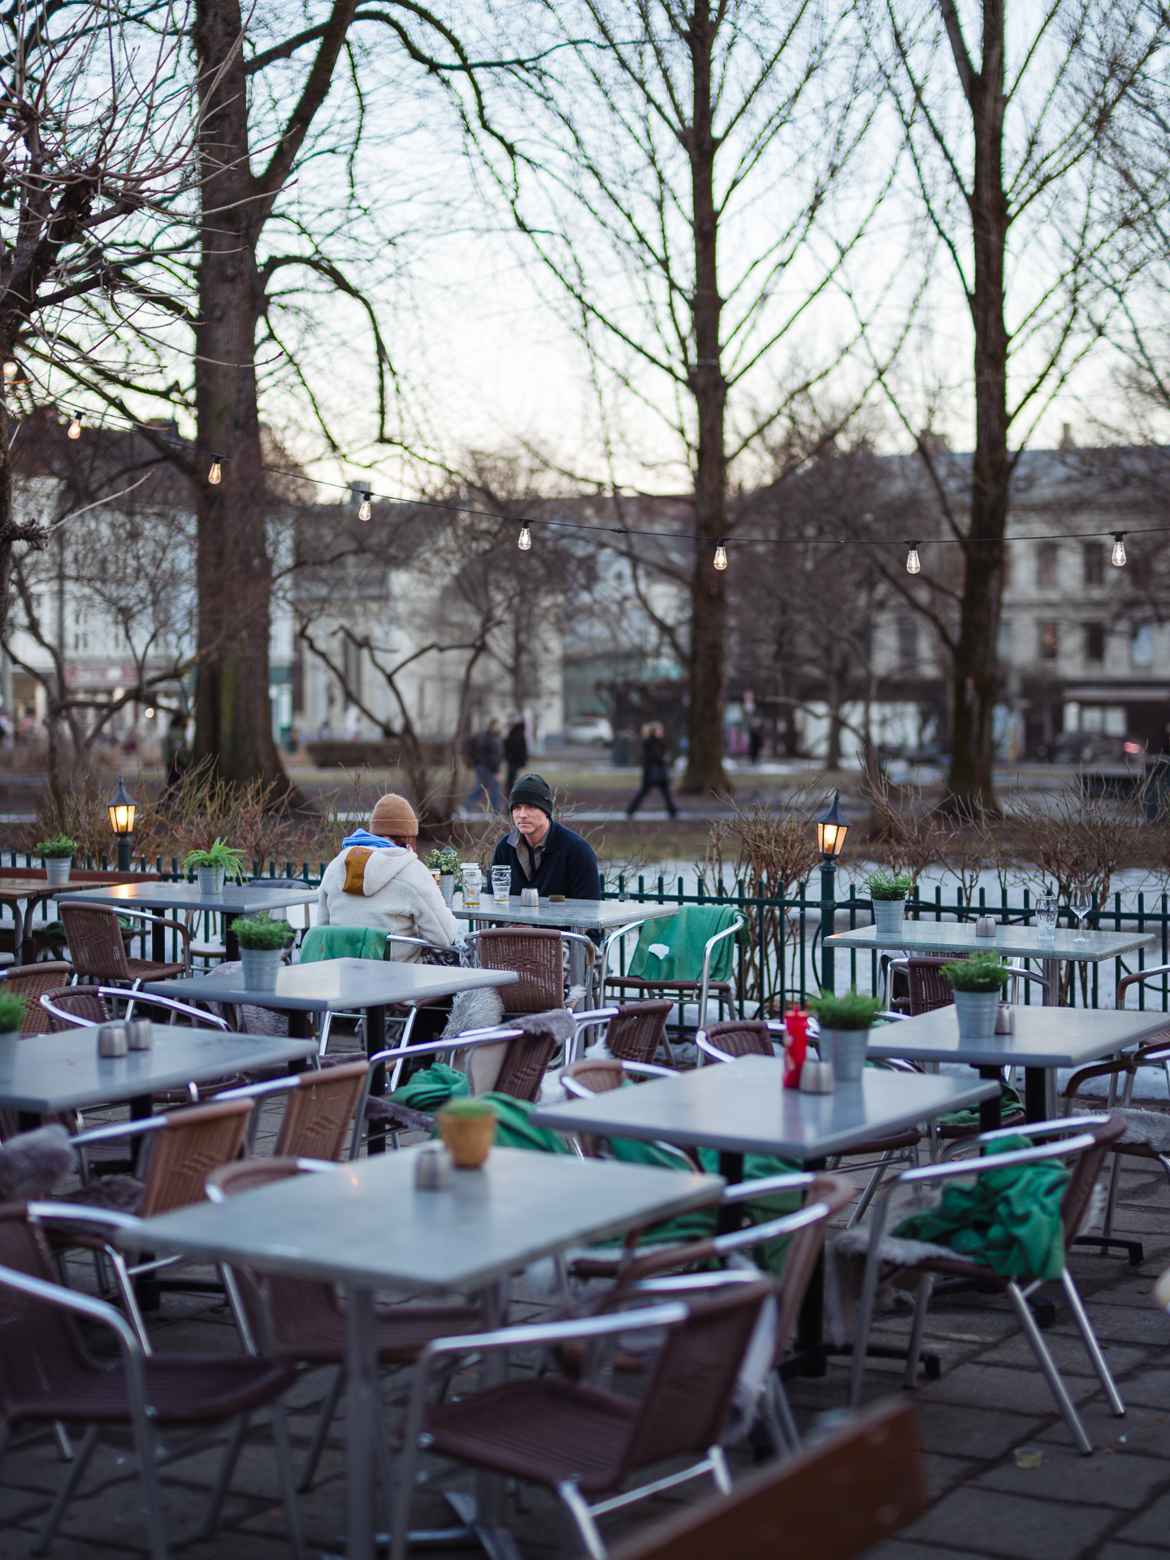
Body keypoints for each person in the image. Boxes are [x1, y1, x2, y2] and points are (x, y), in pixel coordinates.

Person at [317, 792, 458, 959]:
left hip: (343, 975)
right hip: (398, 978)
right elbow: (445, 937)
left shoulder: (336, 866)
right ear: (408, 838)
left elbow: (322, 929)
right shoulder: (412, 870)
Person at [493, 773, 602, 898]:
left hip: (565, 917)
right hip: (512, 918)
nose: (522, 814)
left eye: (531, 807)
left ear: (546, 811)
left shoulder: (577, 851)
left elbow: (589, 908)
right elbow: (494, 902)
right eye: (517, 808)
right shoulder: (505, 848)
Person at [626, 723, 677, 819]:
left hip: (657, 773)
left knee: (665, 793)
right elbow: (654, 757)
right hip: (652, 773)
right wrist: (663, 759)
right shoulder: (650, 742)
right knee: (645, 792)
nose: (661, 732)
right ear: (654, 731)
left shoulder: (659, 742)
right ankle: (630, 810)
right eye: (659, 730)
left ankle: (672, 810)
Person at [464, 717, 505, 812]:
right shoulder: (487, 737)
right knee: (484, 788)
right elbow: (488, 755)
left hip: (490, 768)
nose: (499, 727)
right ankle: (465, 807)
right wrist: (495, 771)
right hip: (485, 768)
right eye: (497, 725)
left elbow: (497, 756)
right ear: (492, 726)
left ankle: (495, 810)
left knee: (488, 788)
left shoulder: (496, 737)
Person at [162, 713, 190, 791]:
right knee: (177, 784)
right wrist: (186, 762)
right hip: (178, 762)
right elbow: (179, 749)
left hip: (170, 761)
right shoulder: (178, 733)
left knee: (171, 783)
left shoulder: (170, 731)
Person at [503, 715, 528, 795]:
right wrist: (523, 761)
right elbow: (523, 750)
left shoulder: (512, 734)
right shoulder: (519, 736)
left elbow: (506, 747)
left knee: (511, 780)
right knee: (513, 779)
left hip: (512, 761)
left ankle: (510, 794)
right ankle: (512, 794)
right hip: (515, 761)